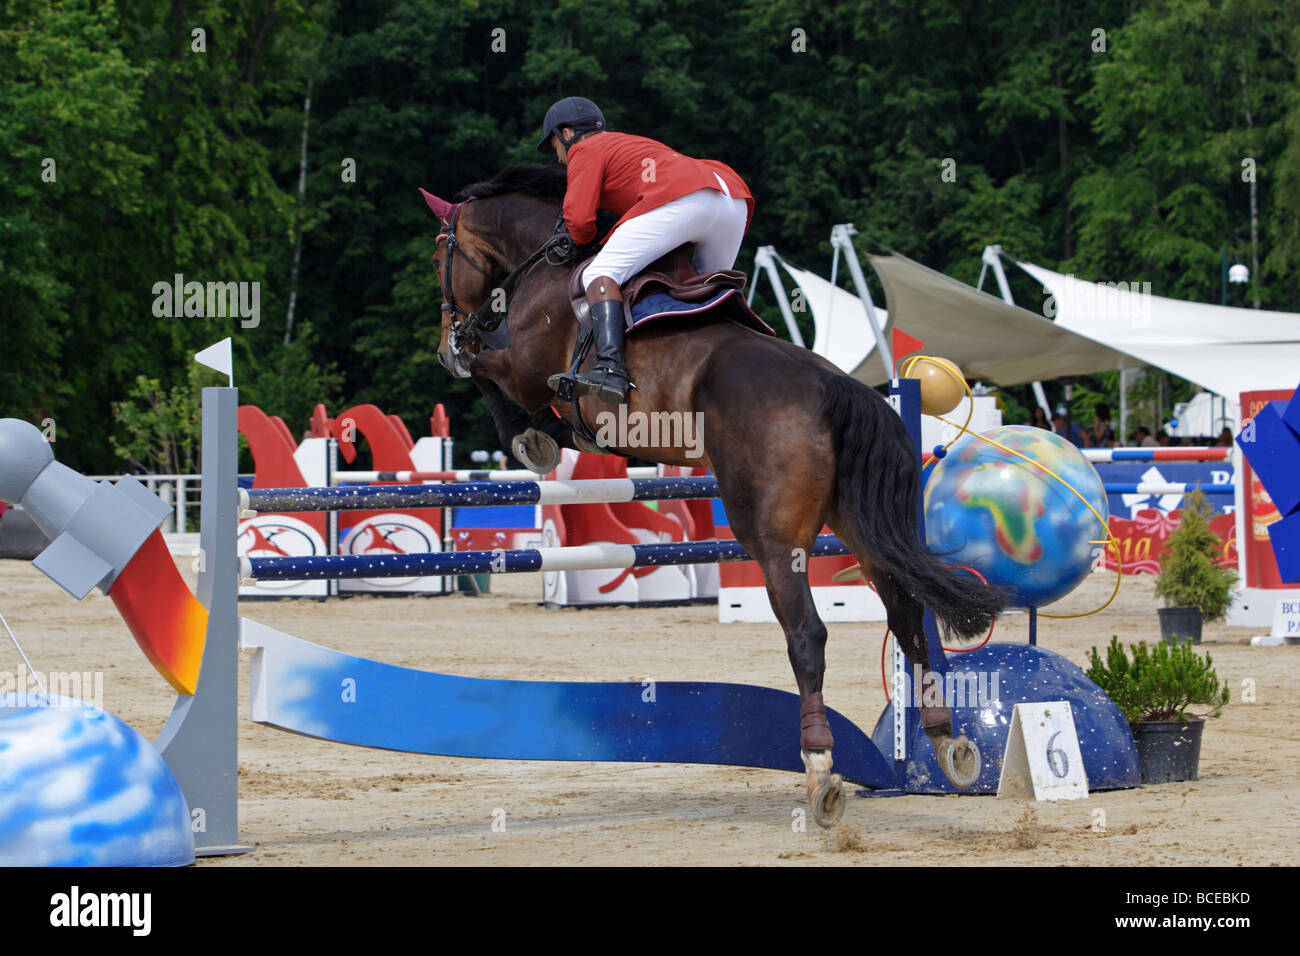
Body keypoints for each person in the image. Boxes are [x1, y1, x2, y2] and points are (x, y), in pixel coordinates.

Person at [539, 96, 754, 403]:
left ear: (567, 133)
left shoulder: (585, 149)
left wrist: (581, 242)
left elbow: (579, 219)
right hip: (731, 199)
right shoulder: (631, 143)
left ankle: (610, 370)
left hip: (685, 198)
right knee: (704, 292)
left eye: (555, 146)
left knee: (599, 272)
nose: (559, 158)